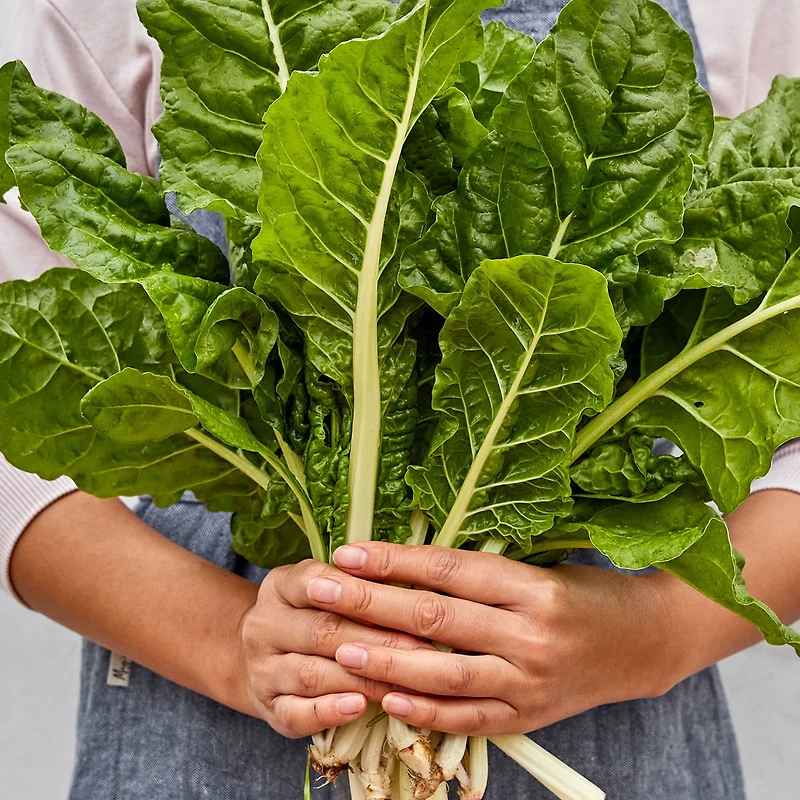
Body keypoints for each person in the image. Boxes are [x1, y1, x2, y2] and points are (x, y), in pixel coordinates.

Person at [1, 0, 800, 798]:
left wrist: (655, 635)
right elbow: (19, 437)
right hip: (205, 710)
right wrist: (231, 642)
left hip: (614, 714)